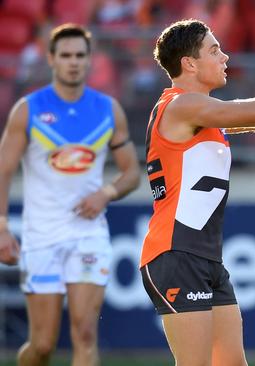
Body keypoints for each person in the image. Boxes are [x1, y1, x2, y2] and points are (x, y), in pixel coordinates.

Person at [140, 15, 255, 366]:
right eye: (215, 50)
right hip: (177, 254)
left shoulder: (200, 113)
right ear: (189, 64)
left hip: (205, 257)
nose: (225, 57)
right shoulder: (182, 105)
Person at [0, 24, 140, 365]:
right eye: (65, 55)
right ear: (51, 59)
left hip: (88, 235)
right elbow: (3, 170)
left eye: (80, 55)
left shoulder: (108, 110)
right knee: (43, 344)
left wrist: (106, 193)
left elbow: (133, 172)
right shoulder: (28, 110)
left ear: (90, 60)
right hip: (42, 236)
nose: (73, 62)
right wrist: (1, 226)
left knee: (85, 333)